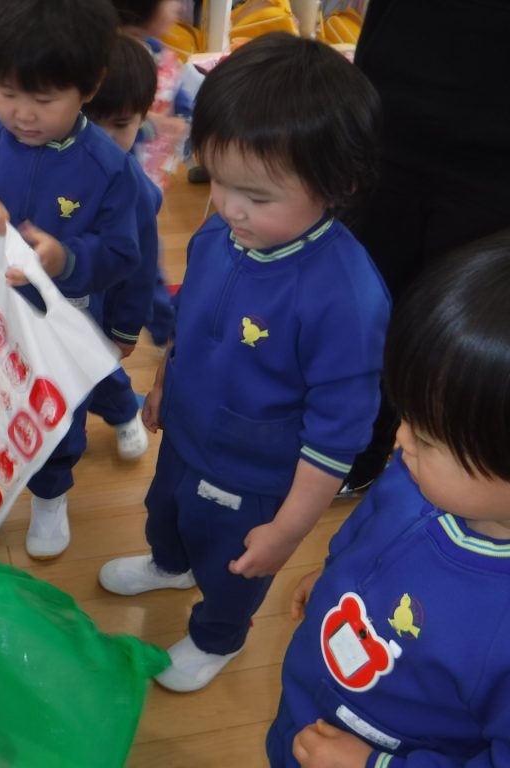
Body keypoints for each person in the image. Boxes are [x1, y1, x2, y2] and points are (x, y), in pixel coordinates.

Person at [98, 33, 390, 692]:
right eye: (222, 181)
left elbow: (337, 435)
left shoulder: (346, 298)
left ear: (337, 186)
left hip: (253, 477)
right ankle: (169, 565)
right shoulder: (222, 232)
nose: (231, 207)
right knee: (165, 512)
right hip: (185, 436)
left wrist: (286, 531)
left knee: (234, 567)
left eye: (257, 196)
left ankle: (218, 636)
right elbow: (191, 319)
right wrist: (164, 380)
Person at [0, 0, 141, 560]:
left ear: (90, 86)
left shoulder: (109, 168)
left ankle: (51, 492)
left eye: (44, 99)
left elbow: (121, 252)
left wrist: (67, 259)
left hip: (59, 325)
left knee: (57, 416)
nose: (22, 114)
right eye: (8, 92)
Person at [267, 233, 510, 767]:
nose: (400, 439)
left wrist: (375, 766)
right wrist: (338, 574)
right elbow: (371, 526)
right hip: (309, 702)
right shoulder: (414, 473)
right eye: (408, 417)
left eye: (428, 437)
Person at [337, 0, 510, 496]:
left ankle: (441, 475)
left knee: (457, 333)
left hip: (497, 155)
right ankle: (359, 448)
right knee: (358, 305)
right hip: (392, 109)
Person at [84, 32, 164, 462]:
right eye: (89, 120)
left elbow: (143, 271)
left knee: (100, 370)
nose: (103, 138)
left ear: (141, 121)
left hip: (103, 308)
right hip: (49, 301)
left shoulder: (137, 193)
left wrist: (126, 329)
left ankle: (121, 413)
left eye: (120, 124)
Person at [113, 0, 189, 346]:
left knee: (141, 250)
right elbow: (102, 123)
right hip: (123, 183)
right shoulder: (110, 59)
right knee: (143, 254)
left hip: (153, 177)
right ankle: (166, 327)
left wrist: (185, 120)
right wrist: (147, 125)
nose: (178, 9)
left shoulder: (164, 56)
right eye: (170, 2)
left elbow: (182, 102)